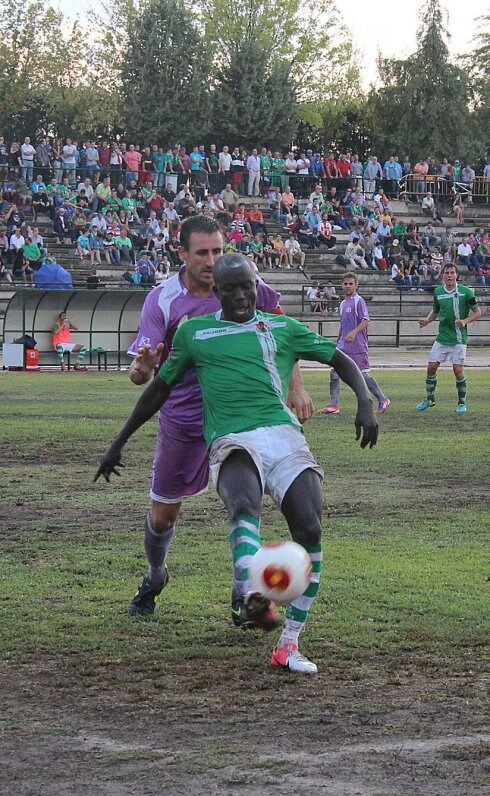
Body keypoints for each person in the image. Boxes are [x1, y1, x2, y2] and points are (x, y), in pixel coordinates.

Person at [96, 254, 378, 674]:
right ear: (218, 292)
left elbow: (339, 358)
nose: (241, 294)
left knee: (310, 528)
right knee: (243, 505)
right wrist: (118, 442)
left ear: (255, 284)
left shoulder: (281, 327)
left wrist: (365, 402)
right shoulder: (195, 333)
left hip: (283, 438)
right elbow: (160, 389)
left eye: (247, 285)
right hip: (232, 439)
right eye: (231, 288)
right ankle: (252, 593)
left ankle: (288, 644)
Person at [123, 216, 313, 622]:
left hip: (239, 417)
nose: (212, 261)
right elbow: (141, 372)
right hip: (184, 420)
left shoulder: (246, 284)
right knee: (163, 516)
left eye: (217, 251)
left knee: (247, 501)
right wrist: (143, 368)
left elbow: (281, 331)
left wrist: (295, 385)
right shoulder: (163, 299)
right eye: (202, 253)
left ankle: (245, 590)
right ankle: (156, 575)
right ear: (182, 254)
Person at [317, 272, 391, 416]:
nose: (348, 286)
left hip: (358, 346)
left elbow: (365, 321)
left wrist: (354, 332)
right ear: (342, 285)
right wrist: (339, 340)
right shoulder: (343, 303)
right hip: (343, 345)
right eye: (346, 283)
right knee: (334, 372)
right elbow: (343, 325)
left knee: (362, 375)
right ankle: (334, 405)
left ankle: (383, 399)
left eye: (351, 283)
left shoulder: (359, 301)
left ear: (356, 285)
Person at [416, 264, 481, 413]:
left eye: (452, 273)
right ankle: (430, 399)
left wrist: (465, 321)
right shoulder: (438, 292)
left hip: (458, 338)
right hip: (442, 337)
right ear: (443, 275)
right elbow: (436, 310)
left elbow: (478, 312)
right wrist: (427, 320)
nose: (449, 276)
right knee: (431, 367)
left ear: (457, 275)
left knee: (458, 370)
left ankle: (461, 403)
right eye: (447, 273)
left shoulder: (467, 292)